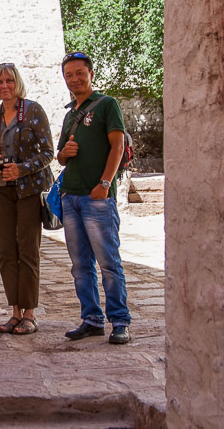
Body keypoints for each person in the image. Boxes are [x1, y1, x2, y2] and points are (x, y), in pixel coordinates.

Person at [56, 52, 132, 344]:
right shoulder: (69, 114)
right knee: (80, 266)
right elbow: (61, 156)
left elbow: (118, 146)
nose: (74, 79)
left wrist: (105, 183)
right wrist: (65, 153)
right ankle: (91, 319)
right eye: (69, 75)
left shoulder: (107, 105)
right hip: (71, 197)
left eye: (79, 73)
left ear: (91, 74)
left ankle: (120, 321)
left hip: (97, 197)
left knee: (108, 262)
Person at [0, 63, 55, 335]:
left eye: (9, 80)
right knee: (6, 252)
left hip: (29, 190)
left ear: (17, 83)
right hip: (2, 190)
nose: (4, 86)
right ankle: (14, 311)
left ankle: (30, 314)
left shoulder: (33, 111)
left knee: (28, 251)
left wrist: (21, 169)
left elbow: (48, 152)